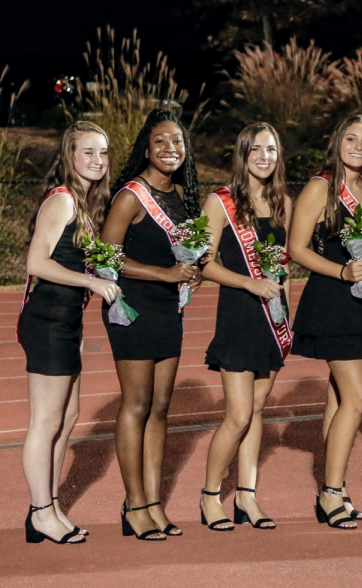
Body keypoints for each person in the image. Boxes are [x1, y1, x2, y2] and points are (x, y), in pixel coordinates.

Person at [101, 109, 203, 541]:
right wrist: (164, 275)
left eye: (177, 142)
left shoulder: (180, 197)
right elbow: (107, 256)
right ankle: (134, 504)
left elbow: (181, 256)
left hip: (168, 309)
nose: (170, 149)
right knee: (137, 404)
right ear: (146, 148)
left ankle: (155, 502)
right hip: (135, 307)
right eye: (160, 141)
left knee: (162, 407)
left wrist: (190, 272)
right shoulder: (131, 195)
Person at [19, 122, 120, 545]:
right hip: (47, 319)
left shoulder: (83, 202)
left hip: (65, 320)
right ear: (70, 155)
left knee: (68, 417)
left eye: (103, 153)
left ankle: (49, 504)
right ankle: (41, 512)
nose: (98, 160)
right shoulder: (62, 200)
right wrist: (92, 283)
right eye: (89, 152)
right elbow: (36, 263)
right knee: (45, 421)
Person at [291, 116, 362, 530]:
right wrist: (339, 272)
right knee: (357, 397)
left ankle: (336, 488)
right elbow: (295, 248)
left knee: (338, 397)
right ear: (337, 143)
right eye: (351, 139)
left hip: (361, 301)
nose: (359, 146)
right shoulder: (321, 186)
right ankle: (331, 491)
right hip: (332, 298)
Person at [199, 123, 292, 531]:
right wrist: (248, 282)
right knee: (237, 415)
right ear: (242, 154)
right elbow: (205, 262)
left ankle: (247, 497)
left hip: (270, 318)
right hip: (238, 312)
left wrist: (283, 304)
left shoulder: (283, 201)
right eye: (256, 149)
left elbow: (284, 263)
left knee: (257, 410)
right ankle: (209, 496)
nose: (264, 157)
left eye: (271, 149)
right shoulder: (220, 202)